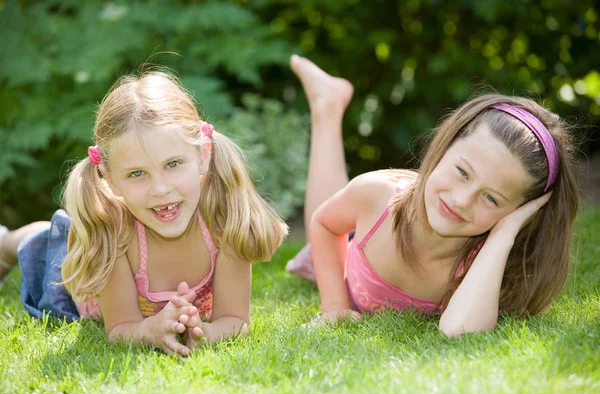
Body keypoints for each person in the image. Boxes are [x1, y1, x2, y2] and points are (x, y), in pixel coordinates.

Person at [285, 55, 580, 336]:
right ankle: (328, 106)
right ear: (445, 146)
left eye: (491, 199)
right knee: (331, 211)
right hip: (361, 239)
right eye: (462, 172)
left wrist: (505, 235)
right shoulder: (376, 195)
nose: (462, 200)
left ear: (518, 211)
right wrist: (335, 306)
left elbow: (460, 333)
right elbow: (324, 223)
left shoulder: (494, 261)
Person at [0, 70, 288, 356]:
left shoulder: (224, 221)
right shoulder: (113, 232)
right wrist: (148, 332)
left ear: (202, 155)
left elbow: (236, 321)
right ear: (110, 180)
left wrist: (204, 333)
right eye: (138, 173)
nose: (161, 189)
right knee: (44, 242)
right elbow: (120, 328)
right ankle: (6, 243)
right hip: (70, 279)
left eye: (173, 164)